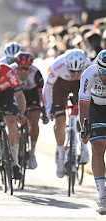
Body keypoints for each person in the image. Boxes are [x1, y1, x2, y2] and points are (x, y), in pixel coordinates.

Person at [43, 49, 92, 178]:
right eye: (72, 71)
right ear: (67, 65)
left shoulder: (89, 65)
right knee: (60, 122)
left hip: (79, 85)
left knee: (85, 114)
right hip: (60, 85)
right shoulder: (58, 65)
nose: (75, 74)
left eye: (78, 72)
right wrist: (48, 108)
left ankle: (84, 148)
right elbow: (47, 88)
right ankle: (60, 156)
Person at [10, 51, 48, 169]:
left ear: (30, 67)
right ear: (16, 66)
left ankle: (32, 152)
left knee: (34, 119)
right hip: (15, 95)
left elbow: (42, 94)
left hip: (32, 95)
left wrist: (45, 110)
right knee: (11, 120)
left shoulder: (35, 72)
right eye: (20, 68)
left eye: (26, 68)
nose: (23, 71)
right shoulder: (11, 71)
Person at [79, 50, 106, 215]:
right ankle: (102, 196)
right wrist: (85, 127)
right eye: (103, 72)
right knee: (97, 147)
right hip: (94, 107)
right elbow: (83, 102)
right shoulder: (89, 74)